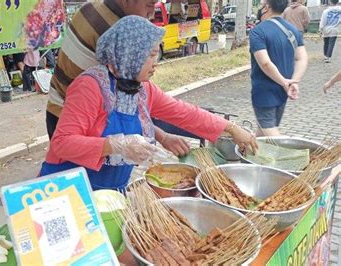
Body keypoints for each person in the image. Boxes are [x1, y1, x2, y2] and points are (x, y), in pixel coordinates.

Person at [39, 16, 257, 191]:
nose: (156, 64)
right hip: (66, 189)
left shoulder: (142, 89)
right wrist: (114, 145)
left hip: (110, 192)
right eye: (151, 55)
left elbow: (185, 113)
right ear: (129, 55)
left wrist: (231, 128)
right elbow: (62, 143)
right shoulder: (90, 87)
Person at [46, 0, 195, 158]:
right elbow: (127, 103)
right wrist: (157, 137)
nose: (151, 14)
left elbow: (132, 103)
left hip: (61, 105)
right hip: (72, 116)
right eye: (149, 5)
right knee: (71, 164)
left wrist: (161, 136)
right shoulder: (118, 34)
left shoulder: (91, 7)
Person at [250, 0, 308, 136]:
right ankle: (248, 151)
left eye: (261, 4)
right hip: (283, 92)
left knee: (270, 131)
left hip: (265, 90)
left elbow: (265, 63)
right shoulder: (292, 30)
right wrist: (293, 81)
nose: (259, 7)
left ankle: (292, 157)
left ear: (266, 8)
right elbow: (302, 58)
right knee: (264, 128)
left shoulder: (258, 31)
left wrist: (284, 82)